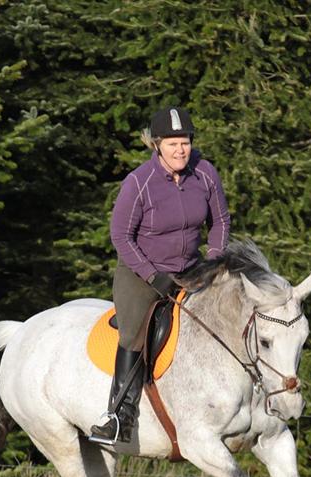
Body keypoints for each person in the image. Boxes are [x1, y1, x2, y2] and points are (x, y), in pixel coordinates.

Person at [88, 105, 231, 446]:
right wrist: (153, 277)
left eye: (184, 142)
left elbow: (221, 222)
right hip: (141, 273)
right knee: (134, 334)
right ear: (157, 145)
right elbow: (121, 236)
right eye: (172, 144)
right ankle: (118, 416)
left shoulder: (205, 173)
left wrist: (213, 262)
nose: (180, 150)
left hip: (192, 268)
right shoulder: (139, 182)